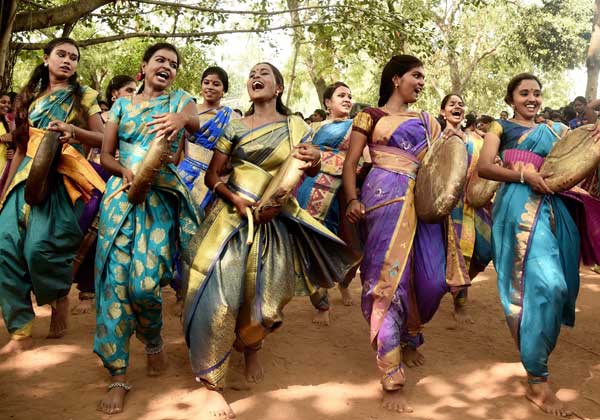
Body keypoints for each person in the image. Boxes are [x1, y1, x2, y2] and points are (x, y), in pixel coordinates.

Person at [183, 62, 359, 419]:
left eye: (264, 73)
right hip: (230, 220)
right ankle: (213, 384)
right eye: (252, 74)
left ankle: (251, 347)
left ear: (278, 88)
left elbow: (307, 166)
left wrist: (315, 159)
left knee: (264, 300)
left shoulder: (297, 127)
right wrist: (235, 199)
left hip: (275, 220)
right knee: (220, 298)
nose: (255, 77)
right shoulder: (234, 126)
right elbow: (214, 176)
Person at [342, 55, 469, 413]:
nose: (422, 82)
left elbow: (443, 163)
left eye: (424, 77)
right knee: (387, 283)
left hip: (425, 202)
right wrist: (352, 199)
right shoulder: (370, 116)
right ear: (396, 79)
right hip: (384, 197)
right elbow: (351, 163)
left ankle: (411, 332)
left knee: (432, 281)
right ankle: (391, 374)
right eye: (416, 75)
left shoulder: (429, 120)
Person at [478, 73, 600, 417]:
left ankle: (535, 354)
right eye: (524, 93)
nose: (532, 98)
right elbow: (485, 168)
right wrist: (523, 175)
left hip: (553, 208)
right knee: (543, 285)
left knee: (561, 287)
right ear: (511, 99)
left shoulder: (555, 130)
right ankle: (537, 379)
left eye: (536, 93)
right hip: (517, 208)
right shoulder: (499, 127)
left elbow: (579, 148)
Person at [93, 42, 200, 415]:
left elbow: (196, 121)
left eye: (173, 63)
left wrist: (182, 120)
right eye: (160, 60)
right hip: (120, 199)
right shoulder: (122, 105)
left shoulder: (180, 101)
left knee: (144, 286)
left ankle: (153, 340)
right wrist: (123, 170)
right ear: (145, 65)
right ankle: (118, 375)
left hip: (158, 199)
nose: (167, 66)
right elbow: (106, 154)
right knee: (115, 285)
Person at [0, 37, 105, 355]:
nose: (68, 61)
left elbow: (104, 138)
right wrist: (4, 192)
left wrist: (74, 132)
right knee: (4, 248)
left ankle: (59, 297)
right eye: (61, 54)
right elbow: (21, 148)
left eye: (73, 57)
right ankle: (20, 331)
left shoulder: (84, 96)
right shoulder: (29, 97)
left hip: (61, 179)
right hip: (23, 178)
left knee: (38, 250)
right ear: (46, 59)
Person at [71, 74, 137, 316]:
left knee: (121, 235)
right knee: (89, 232)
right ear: (114, 94)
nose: (133, 94)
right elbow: (86, 147)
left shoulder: (139, 118)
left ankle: (120, 290)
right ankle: (86, 291)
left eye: (135, 90)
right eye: (129, 90)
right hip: (97, 176)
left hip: (126, 179)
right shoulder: (101, 119)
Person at [295, 81, 360, 326]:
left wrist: (321, 157)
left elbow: (360, 161)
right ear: (327, 103)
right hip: (307, 190)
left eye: (349, 95)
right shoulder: (312, 128)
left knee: (349, 248)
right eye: (341, 95)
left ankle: (344, 282)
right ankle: (322, 303)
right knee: (309, 247)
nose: (347, 99)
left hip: (341, 196)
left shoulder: (356, 128)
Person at [439, 94, 493, 324]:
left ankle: (457, 285)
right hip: (444, 205)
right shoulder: (436, 138)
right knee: (453, 253)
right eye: (451, 104)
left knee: (486, 250)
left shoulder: (476, 140)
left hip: (473, 204)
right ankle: (459, 302)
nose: (457, 107)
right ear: (442, 112)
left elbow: (486, 170)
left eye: (460, 104)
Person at [177, 66, 234, 212]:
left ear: (224, 90)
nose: (210, 87)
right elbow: (178, 146)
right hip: (183, 174)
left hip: (211, 180)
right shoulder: (188, 110)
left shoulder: (232, 118)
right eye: (206, 82)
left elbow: (233, 155)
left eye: (216, 84)